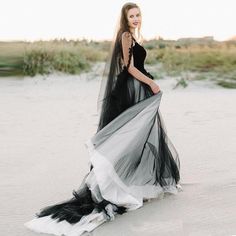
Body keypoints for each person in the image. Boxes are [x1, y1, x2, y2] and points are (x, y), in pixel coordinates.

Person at [24, 2, 182, 236]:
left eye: (138, 15)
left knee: (133, 137)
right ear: (125, 18)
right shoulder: (126, 35)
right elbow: (129, 67)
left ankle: (126, 180)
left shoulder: (130, 36)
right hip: (130, 90)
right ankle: (113, 185)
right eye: (132, 16)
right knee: (128, 136)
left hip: (134, 88)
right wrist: (150, 82)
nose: (136, 19)